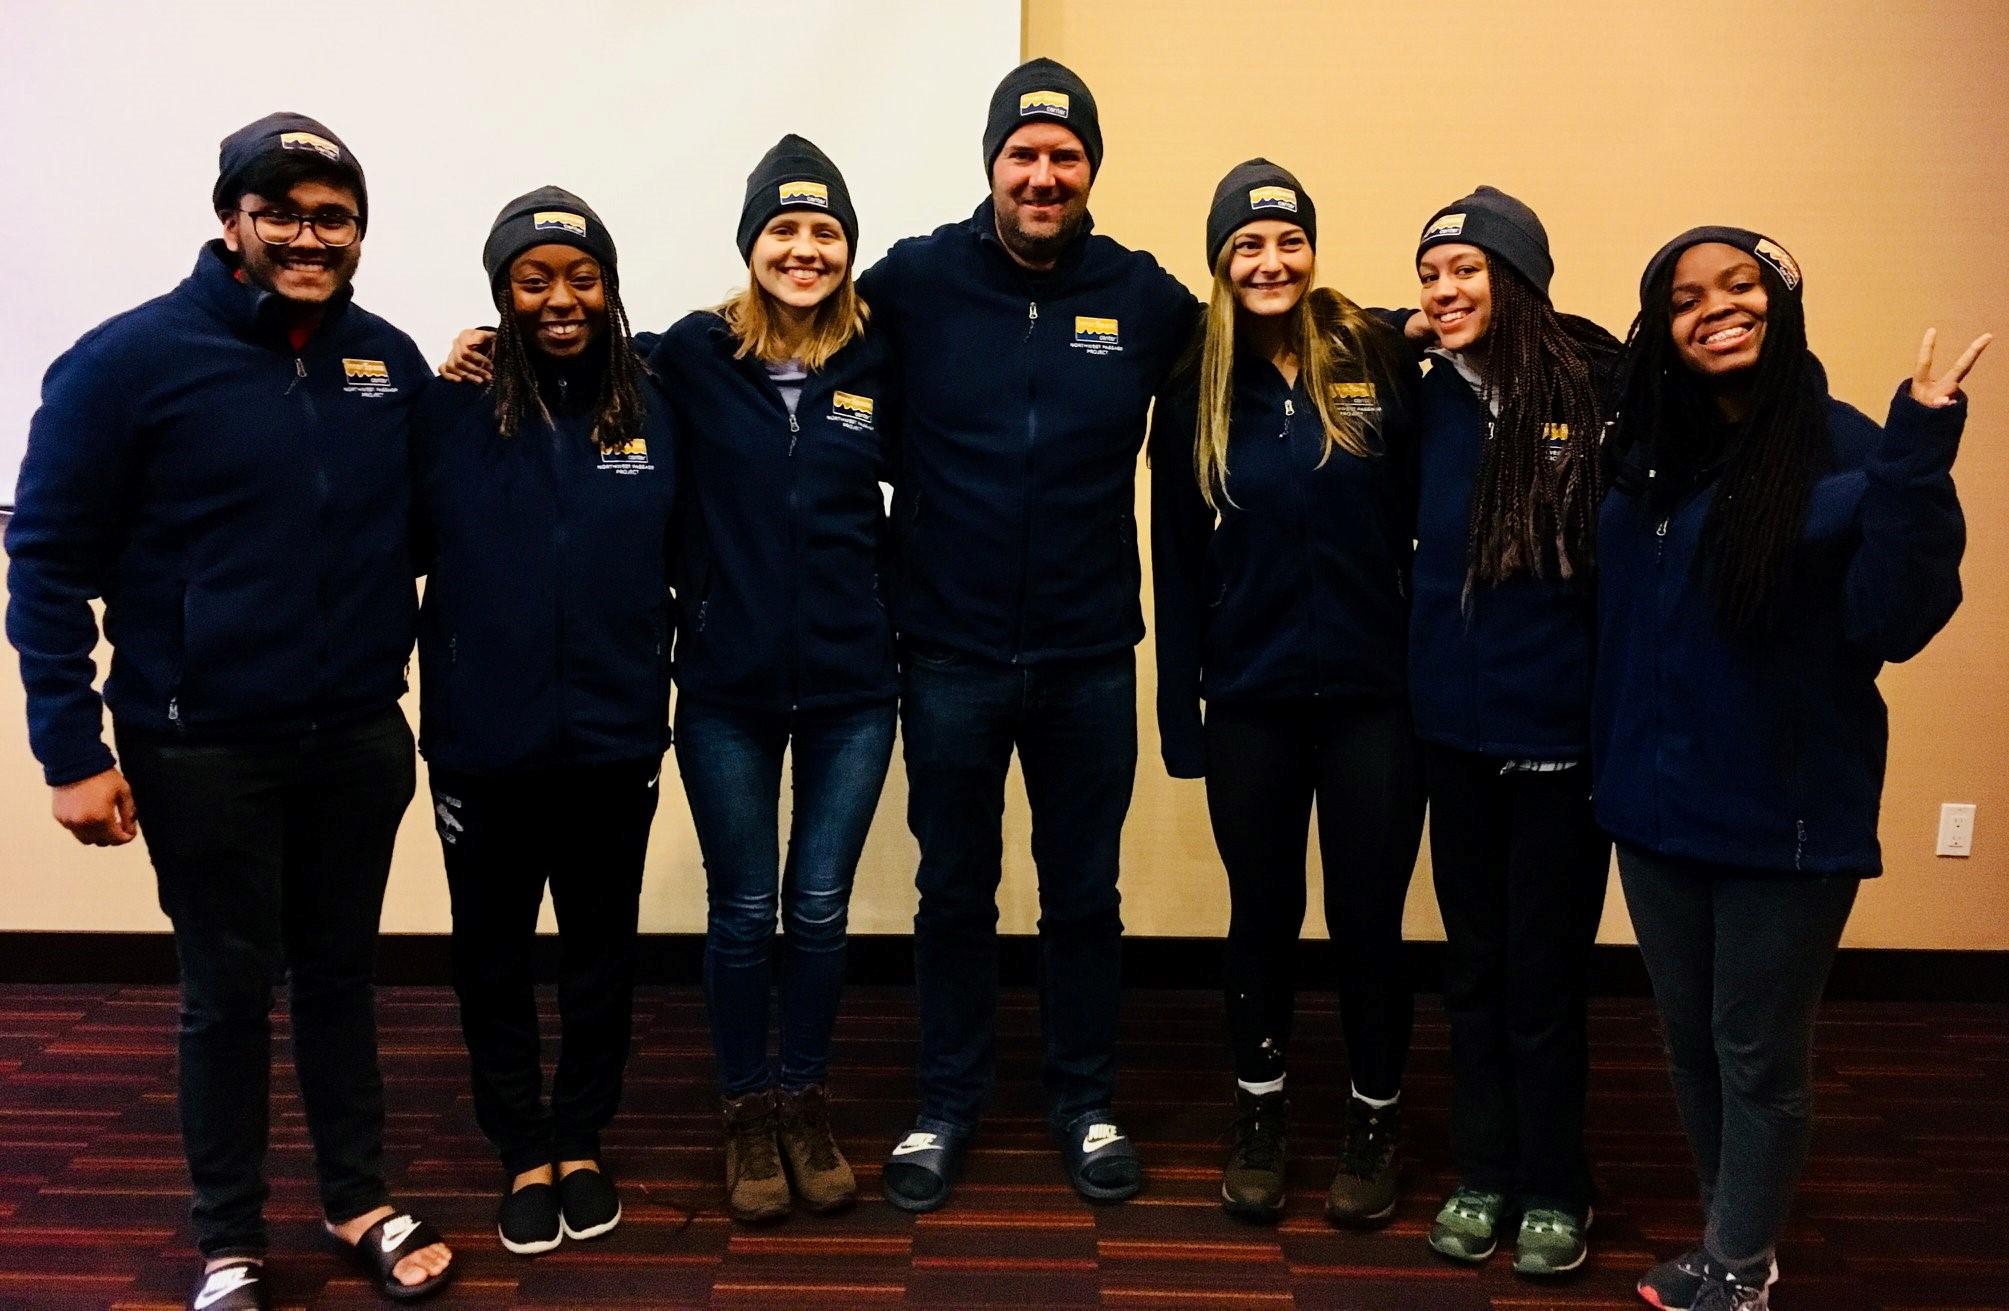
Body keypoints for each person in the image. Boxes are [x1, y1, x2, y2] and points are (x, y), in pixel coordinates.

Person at [4, 112, 453, 1310]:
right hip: (199, 744)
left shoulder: (386, 362)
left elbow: (429, 522)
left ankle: (356, 1196)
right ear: (231, 221)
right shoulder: (126, 363)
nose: (311, 237)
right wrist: (68, 749)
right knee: (227, 993)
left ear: (360, 231)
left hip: (356, 734)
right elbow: (45, 562)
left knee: (345, 977)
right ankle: (228, 1240)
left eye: (335, 217)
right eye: (284, 214)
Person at [1597, 226, 1987, 1311]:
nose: (1714, 308)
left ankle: (1735, 1268)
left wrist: (1916, 451)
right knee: (1686, 1046)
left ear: (1782, 303)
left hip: (1786, 815)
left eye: (1739, 286)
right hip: (1653, 809)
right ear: (1660, 328)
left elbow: (1897, 620)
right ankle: (1736, 1242)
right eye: (1683, 297)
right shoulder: (1643, 458)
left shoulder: (1850, 449)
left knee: (1755, 1054)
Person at [855, 58, 1199, 1212]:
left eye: (1063, 156)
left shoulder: (1141, 297)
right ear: (991, 164)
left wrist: (1397, 334)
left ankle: (1082, 1101)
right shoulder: (913, 282)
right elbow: (775, 333)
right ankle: (945, 1104)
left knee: (1081, 894)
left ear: (1089, 168)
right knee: (953, 889)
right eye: (1023, 155)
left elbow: (1263, 350)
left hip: (1087, 652)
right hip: (945, 650)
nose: (1041, 176)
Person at [1151, 160, 1424, 1226]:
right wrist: (1184, 714)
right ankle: (1258, 1111)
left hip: (1373, 700)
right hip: (1252, 701)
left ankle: (1371, 1115)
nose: (1269, 261)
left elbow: (1421, 519)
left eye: (1287, 242)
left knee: (1368, 919)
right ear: (1221, 263)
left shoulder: (1376, 359)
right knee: (1260, 914)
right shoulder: (1192, 389)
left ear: (1310, 251)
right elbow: (1175, 564)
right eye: (1246, 246)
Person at [412, 188, 676, 1256]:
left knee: (601, 953)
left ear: (608, 289)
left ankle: (582, 1136)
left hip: (613, 738)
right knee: (491, 954)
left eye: (580, 277)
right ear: (501, 293)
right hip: (484, 743)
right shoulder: (446, 410)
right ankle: (519, 1143)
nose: (559, 298)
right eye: (534, 279)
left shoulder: (657, 405)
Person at [651, 137, 895, 1223]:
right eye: (784, 230)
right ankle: (745, 1110)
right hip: (725, 690)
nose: (805, 249)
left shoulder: (881, 360)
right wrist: (474, 346)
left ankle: (805, 1099)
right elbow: (569, 351)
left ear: (848, 249)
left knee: (822, 910)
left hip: (852, 687)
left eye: (825, 231)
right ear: (750, 244)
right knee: (744, 912)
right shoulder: (692, 355)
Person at [1404, 188, 1617, 1273]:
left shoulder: (1596, 388)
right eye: (1428, 276)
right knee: (1472, 969)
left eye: (1463, 272)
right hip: (1452, 734)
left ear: (1517, 279)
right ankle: (1480, 1172)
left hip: (1560, 745)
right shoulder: (1421, 393)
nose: (1441, 292)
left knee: (1543, 977)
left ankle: (1552, 1186)